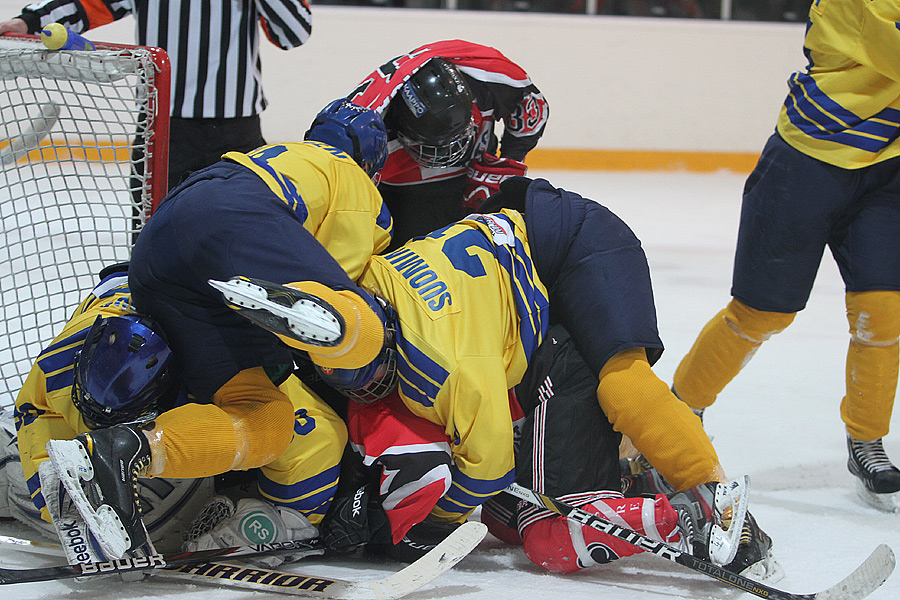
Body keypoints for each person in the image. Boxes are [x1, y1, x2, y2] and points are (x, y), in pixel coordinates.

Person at [241, 177, 769, 575]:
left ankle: (713, 504)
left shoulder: (446, 365)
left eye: (376, 376)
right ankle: (634, 477)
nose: (371, 389)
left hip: (571, 248)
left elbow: (486, 468)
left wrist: (428, 530)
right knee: (506, 513)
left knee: (618, 388)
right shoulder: (362, 289)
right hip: (520, 277)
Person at [41, 99, 392, 560]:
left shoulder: (277, 153)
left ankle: (118, 452)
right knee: (364, 332)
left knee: (263, 417)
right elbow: (346, 268)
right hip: (239, 220)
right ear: (370, 162)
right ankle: (301, 309)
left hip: (161, 243)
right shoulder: (352, 180)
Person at [670, 0, 900, 513]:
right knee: (760, 314)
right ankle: (677, 411)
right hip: (808, 161)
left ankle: (866, 438)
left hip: (886, 166)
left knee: (884, 311)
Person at [1, 262, 342, 570]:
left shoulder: (226, 371)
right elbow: (34, 411)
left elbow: (318, 437)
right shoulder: (63, 360)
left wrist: (278, 521)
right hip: (159, 290)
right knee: (44, 485)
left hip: (203, 326)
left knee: (168, 507)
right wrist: (59, 495)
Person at [0, 0, 313, 193]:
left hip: (237, 135)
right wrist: (28, 21)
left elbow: (294, 33)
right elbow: (88, 3)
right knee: (156, 252)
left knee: (241, 246)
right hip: (162, 132)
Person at [347, 39, 549, 248]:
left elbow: (530, 104)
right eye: (438, 146)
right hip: (405, 194)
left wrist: (507, 163)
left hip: (468, 169)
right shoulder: (364, 133)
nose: (452, 150)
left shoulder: (487, 73)